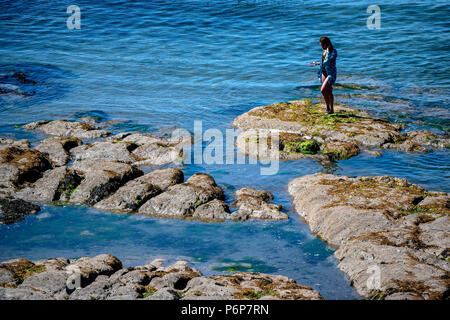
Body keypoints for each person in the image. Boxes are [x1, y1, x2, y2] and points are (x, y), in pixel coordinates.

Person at [309, 36, 338, 114]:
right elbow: (324, 62)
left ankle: (331, 108)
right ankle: (328, 108)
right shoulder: (325, 51)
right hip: (324, 72)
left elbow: (329, 60)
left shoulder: (333, 52)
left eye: (322, 45)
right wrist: (317, 63)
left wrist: (328, 51)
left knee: (323, 90)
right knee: (327, 91)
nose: (321, 47)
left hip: (331, 73)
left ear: (326, 44)